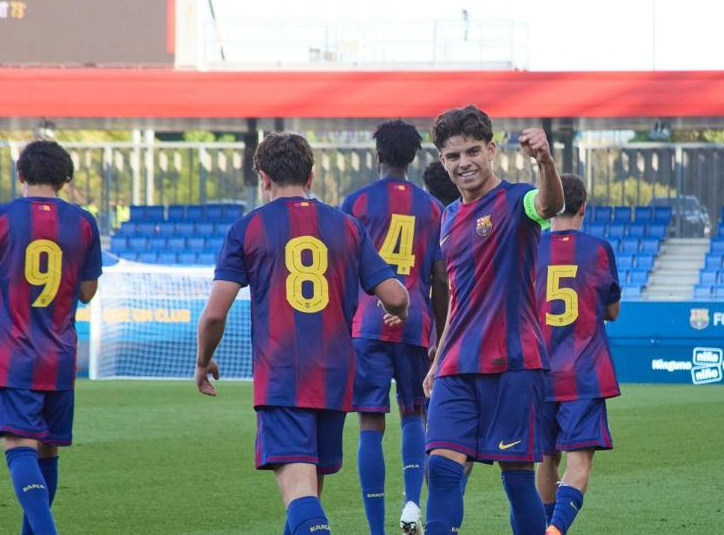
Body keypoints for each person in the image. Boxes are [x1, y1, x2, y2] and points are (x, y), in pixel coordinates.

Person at [195, 132, 411, 535]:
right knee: (309, 494)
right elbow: (397, 296)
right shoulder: (346, 227)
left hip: (283, 375)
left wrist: (203, 359)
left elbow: (213, 315)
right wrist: (395, 310)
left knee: (299, 495)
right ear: (311, 176)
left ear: (263, 178)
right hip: (334, 376)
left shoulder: (248, 228)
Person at [421, 105, 564, 535]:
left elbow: (550, 204)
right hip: (456, 366)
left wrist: (544, 161)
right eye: (452, 156)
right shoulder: (447, 218)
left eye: (471, 151)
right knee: (442, 469)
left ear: (491, 150)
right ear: (442, 161)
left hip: (513, 364)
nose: (463, 163)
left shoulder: (516, 201)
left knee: (518, 478)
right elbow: (461, 299)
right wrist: (436, 360)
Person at [0, 140, 103, 535]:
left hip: (14, 352)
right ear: (66, 179)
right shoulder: (84, 222)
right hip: (59, 353)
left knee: (18, 445)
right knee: (48, 449)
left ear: (20, 175)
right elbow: (88, 292)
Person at [341, 120, 449, 534]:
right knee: (414, 414)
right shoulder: (433, 207)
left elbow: (345, 270)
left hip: (366, 323)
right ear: (414, 156)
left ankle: (376, 530)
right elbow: (440, 278)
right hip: (416, 322)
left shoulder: (356, 203)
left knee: (370, 422)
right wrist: (439, 333)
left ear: (379, 155)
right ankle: (410, 504)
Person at [533, 174, 621, 535]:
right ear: (584, 206)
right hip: (584, 370)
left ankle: (547, 525)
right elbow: (612, 311)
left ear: (548, 204)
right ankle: (556, 530)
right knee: (579, 460)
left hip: (537, 370)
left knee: (544, 457)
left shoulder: (531, 248)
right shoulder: (599, 249)